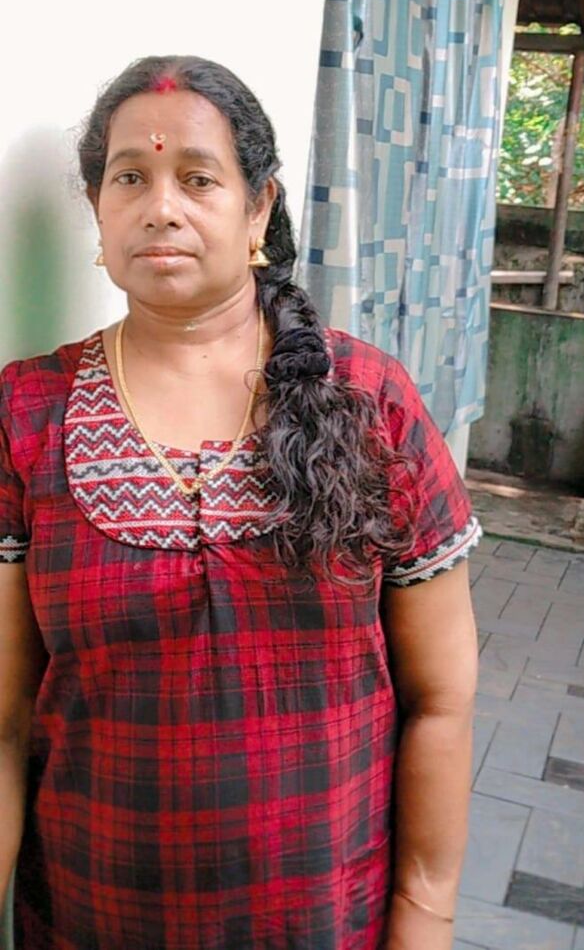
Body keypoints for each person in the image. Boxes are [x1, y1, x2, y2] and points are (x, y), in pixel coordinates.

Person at [0, 56, 480, 950]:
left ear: (259, 208)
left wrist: (426, 917)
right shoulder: (27, 414)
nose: (161, 208)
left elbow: (442, 699)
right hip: (90, 914)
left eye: (198, 179)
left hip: (327, 923)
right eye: (129, 179)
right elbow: (3, 721)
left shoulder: (369, 401)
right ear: (97, 209)